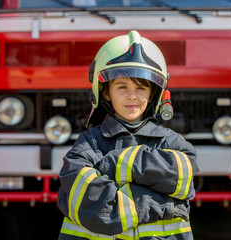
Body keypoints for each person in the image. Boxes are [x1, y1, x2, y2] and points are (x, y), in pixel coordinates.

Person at [57, 30, 199, 240]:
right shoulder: (87, 144)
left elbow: (185, 177)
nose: (132, 95)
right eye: (122, 86)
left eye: (141, 88)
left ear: (154, 94)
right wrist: (164, 203)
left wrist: (113, 165)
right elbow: (95, 211)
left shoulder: (173, 143)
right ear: (105, 92)